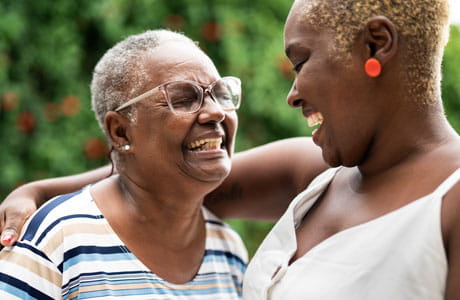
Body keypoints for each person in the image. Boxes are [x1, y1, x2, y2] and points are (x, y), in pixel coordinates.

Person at [2, 0, 460, 299]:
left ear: (375, 44)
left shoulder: (451, 201)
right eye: (184, 98)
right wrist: (38, 193)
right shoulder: (315, 172)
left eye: (300, 62)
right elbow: (165, 177)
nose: (292, 93)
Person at [0, 29, 251, 299]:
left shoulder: (227, 251)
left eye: (221, 94)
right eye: (182, 99)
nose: (216, 112)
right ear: (120, 132)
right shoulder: (59, 239)